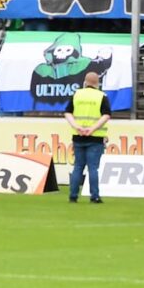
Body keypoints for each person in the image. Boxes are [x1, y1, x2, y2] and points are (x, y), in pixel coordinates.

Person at [64, 70, 111, 205]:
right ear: (98, 84)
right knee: (93, 168)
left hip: (78, 136)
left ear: (85, 82)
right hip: (95, 137)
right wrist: (92, 129)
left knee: (78, 166)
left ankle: (73, 196)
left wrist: (77, 127)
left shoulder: (77, 94)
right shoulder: (102, 96)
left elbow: (67, 112)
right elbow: (106, 115)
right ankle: (94, 196)